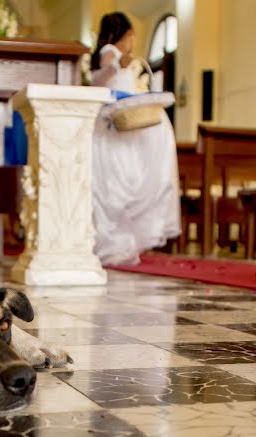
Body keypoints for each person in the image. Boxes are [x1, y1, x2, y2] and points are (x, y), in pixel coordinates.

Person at [89, 12, 181, 265]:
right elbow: (97, 80)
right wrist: (117, 66)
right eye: (130, 35)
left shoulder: (126, 58)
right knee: (117, 180)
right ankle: (113, 241)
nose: (133, 40)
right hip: (115, 123)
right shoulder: (110, 52)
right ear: (120, 34)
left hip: (128, 122)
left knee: (134, 174)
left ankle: (130, 240)